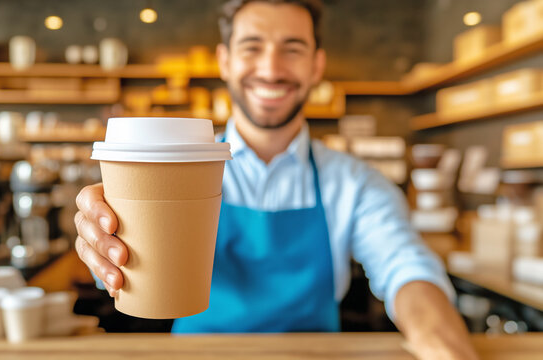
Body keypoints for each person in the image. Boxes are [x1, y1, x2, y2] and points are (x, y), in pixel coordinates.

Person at [74, 0, 478, 358]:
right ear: (225, 60)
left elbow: (406, 267)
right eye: (252, 47)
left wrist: (440, 343)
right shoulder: (174, 169)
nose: (271, 68)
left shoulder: (356, 183)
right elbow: (125, 259)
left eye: (293, 49)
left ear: (317, 65)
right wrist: (107, 244)